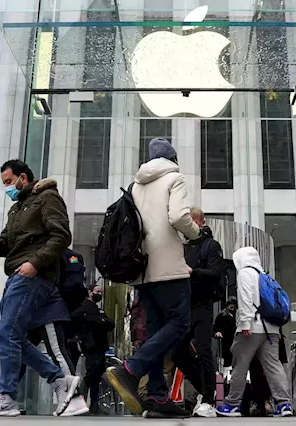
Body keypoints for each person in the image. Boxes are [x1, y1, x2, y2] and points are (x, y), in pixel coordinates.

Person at [0, 159, 81, 417]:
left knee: (7, 333)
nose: (7, 188)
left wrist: (35, 262)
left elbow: (62, 235)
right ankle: (58, 379)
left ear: (23, 177)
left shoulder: (47, 197)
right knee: (14, 337)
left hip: (33, 274)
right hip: (18, 274)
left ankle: (7, 397)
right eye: (4, 184)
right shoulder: (17, 208)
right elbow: (7, 247)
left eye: (9, 182)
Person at [106, 138, 201, 419]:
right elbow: (179, 216)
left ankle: (157, 397)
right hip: (168, 266)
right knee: (180, 323)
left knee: (158, 330)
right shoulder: (175, 178)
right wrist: (196, 233)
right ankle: (132, 369)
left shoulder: (137, 184)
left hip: (142, 271)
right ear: (173, 158)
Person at [216, 247, 293, 418]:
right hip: (271, 329)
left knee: (239, 365)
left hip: (252, 327)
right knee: (273, 366)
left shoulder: (245, 274)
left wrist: (244, 324)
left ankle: (232, 405)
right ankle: (284, 404)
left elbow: (245, 299)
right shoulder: (265, 275)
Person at [173, 207, 225, 418]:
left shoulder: (210, 246)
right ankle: (203, 390)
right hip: (183, 305)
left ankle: (209, 399)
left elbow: (215, 273)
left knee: (203, 350)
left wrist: (192, 271)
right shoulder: (182, 247)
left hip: (202, 305)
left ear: (201, 222)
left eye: (192, 222)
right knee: (178, 354)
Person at [70, 285, 114, 414]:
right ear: (89, 293)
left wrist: (100, 321)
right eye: (97, 292)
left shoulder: (97, 309)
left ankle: (94, 404)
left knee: (96, 375)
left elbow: (110, 323)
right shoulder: (84, 307)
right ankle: (80, 403)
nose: (99, 294)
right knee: (91, 374)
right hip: (91, 345)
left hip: (100, 345)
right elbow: (77, 319)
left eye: (100, 292)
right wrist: (78, 335)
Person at [214, 297, 238, 374]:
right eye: (231, 306)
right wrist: (217, 332)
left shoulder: (239, 316)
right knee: (227, 361)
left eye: (234, 306)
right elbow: (215, 328)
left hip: (237, 342)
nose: (233, 308)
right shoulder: (221, 316)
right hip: (226, 343)